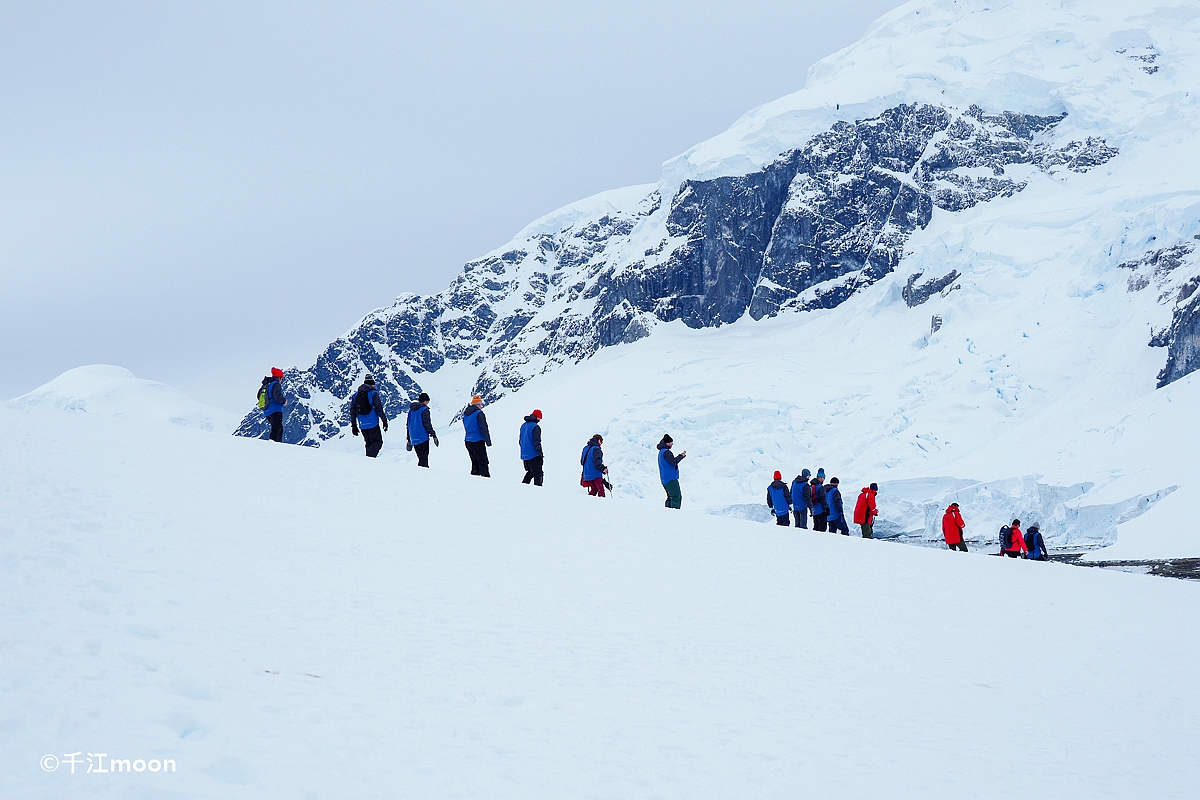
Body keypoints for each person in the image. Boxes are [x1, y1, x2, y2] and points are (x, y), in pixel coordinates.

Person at [349, 375, 388, 458]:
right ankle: (368, 460)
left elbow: (352, 411)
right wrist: (384, 420)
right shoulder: (373, 393)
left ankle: (367, 461)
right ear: (372, 384)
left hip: (362, 425)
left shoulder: (355, 395)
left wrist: (354, 425)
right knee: (377, 442)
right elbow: (378, 408)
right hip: (373, 423)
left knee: (368, 443)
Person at [406, 392, 438, 468]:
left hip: (414, 438)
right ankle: (423, 477)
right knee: (424, 460)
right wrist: (433, 434)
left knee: (420, 458)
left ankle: (422, 475)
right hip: (422, 437)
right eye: (427, 402)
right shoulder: (424, 409)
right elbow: (427, 424)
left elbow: (408, 425)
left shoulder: (411, 411)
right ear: (425, 401)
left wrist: (409, 439)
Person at [462, 396, 492, 477]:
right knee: (483, 462)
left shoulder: (466, 414)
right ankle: (486, 483)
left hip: (468, 440)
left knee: (475, 463)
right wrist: (488, 441)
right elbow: (484, 428)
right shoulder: (479, 413)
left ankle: (474, 483)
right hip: (477, 441)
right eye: (480, 404)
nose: (481, 406)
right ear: (478, 405)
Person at [657, 434, 686, 509]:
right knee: (676, 497)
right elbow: (673, 462)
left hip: (665, 478)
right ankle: (675, 516)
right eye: (670, 442)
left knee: (670, 497)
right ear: (666, 443)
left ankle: (668, 513)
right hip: (671, 478)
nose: (671, 444)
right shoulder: (666, 452)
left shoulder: (661, 452)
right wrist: (681, 456)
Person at [259, 367, 287, 443]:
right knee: (277, 428)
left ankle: (277, 444)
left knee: (278, 428)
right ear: (279, 377)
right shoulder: (276, 384)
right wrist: (284, 401)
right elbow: (277, 396)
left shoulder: (266, 384)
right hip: (275, 409)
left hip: (266, 410)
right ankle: (274, 446)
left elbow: (258, 395)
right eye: (282, 378)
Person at [519, 410, 544, 486]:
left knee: (530, 472)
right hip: (534, 454)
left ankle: (522, 487)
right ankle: (538, 490)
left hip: (525, 454)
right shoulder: (535, 427)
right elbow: (536, 441)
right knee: (538, 473)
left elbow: (520, 440)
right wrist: (540, 453)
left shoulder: (523, 425)